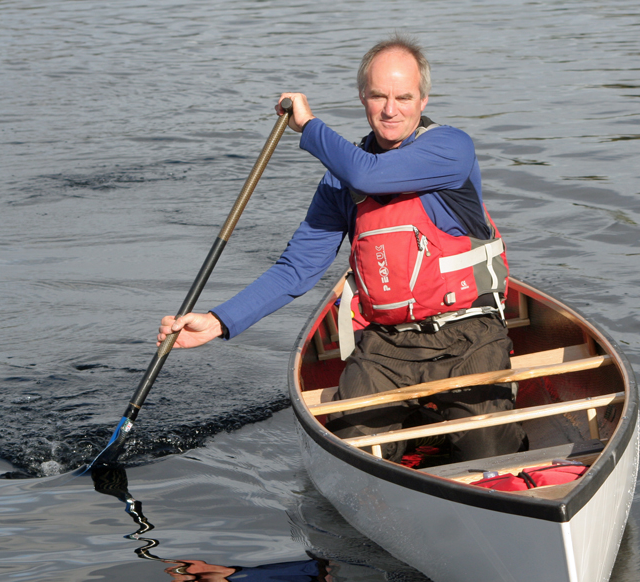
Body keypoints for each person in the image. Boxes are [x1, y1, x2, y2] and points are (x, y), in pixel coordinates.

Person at [158, 35, 525, 463]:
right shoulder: (339, 182)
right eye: (378, 96)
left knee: (488, 453)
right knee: (353, 445)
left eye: (403, 97)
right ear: (362, 98)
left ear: (423, 100)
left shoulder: (451, 148)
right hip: (387, 346)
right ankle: (417, 427)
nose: (391, 110)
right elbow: (297, 268)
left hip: (470, 336)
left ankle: (446, 430)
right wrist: (219, 321)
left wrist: (309, 127)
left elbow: (367, 174)